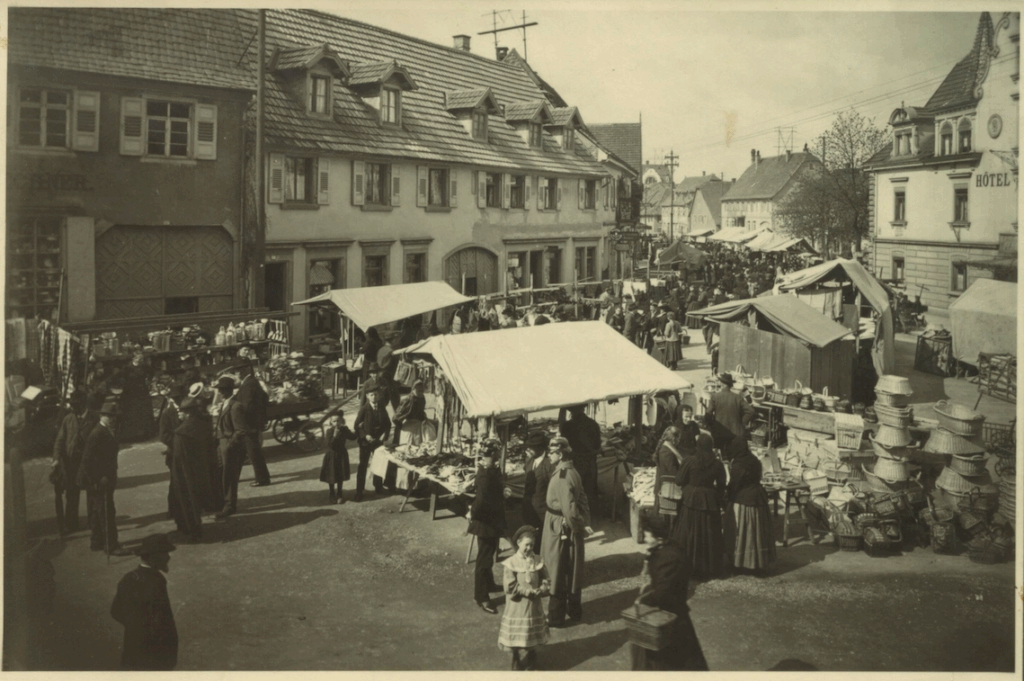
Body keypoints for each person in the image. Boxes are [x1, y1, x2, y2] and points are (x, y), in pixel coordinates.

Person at [630, 510, 709, 671]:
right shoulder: (667, 548)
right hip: (669, 615)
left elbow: (663, 595)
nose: (645, 539)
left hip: (668, 620)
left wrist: (645, 600)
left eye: (647, 535)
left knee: (668, 663)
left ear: (658, 537)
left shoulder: (669, 559)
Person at [540, 437, 592, 628]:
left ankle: (556, 617)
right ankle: (574, 609)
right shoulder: (573, 472)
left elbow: (569, 509)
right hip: (568, 524)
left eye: (551, 452)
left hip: (558, 525)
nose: (549, 455)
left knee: (557, 569)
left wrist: (577, 525)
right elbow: (583, 498)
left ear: (560, 454)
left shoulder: (562, 476)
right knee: (572, 568)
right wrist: (585, 521)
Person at [110, 533, 178, 670]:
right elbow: (162, 622)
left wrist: (134, 626)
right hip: (155, 655)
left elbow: (115, 611)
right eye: (165, 553)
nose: (169, 557)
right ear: (155, 557)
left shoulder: (128, 578)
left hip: (132, 649)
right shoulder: (156, 581)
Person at [78, 402, 130, 556]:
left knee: (96, 511)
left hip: (101, 478)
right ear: (101, 416)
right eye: (109, 416)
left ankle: (97, 542)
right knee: (107, 512)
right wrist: (99, 478)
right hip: (99, 480)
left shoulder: (106, 430)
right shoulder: (98, 433)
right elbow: (87, 460)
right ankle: (111, 546)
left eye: (114, 416)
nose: (112, 419)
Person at [672, 433, 726, 579]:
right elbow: (722, 485)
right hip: (709, 500)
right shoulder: (717, 463)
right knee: (709, 533)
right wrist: (717, 498)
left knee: (689, 533)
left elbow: (678, 481)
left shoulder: (690, 461)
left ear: (698, 446)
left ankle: (687, 566)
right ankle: (708, 567)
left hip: (691, 499)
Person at [498, 525, 551, 671]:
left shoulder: (538, 560)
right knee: (518, 632)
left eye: (532, 545)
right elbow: (509, 586)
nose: (529, 548)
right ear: (519, 543)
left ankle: (532, 653)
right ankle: (516, 657)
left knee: (531, 629)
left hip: (533, 605)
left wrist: (542, 588)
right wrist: (525, 591)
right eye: (526, 544)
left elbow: (546, 579)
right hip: (518, 605)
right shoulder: (511, 563)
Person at [169, 391, 217, 542]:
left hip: (186, 473)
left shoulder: (181, 433)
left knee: (186, 500)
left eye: (181, 412)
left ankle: (192, 530)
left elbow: (179, 459)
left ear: (188, 414)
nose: (179, 415)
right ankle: (195, 526)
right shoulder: (204, 426)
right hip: (202, 470)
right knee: (199, 499)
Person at [725, 439, 776, 573]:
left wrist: (728, 495)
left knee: (744, 532)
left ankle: (743, 562)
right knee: (757, 532)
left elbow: (735, 484)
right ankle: (758, 561)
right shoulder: (754, 460)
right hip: (758, 497)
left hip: (744, 499)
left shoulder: (738, 464)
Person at [468, 439, 506, 614]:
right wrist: (472, 513)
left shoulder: (491, 469)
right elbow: (480, 501)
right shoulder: (484, 474)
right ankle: (481, 597)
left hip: (492, 520)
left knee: (488, 554)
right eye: (496, 453)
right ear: (492, 454)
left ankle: (489, 584)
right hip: (486, 523)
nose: (498, 455)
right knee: (483, 559)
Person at [50, 391, 88, 536]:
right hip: (71, 463)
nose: (73, 409)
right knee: (72, 493)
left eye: (76, 406)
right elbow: (59, 441)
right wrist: (56, 459)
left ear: (84, 405)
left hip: (87, 462)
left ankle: (94, 522)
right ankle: (72, 524)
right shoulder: (68, 419)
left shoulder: (93, 418)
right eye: (72, 405)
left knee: (92, 493)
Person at [558, 404, 601, 518]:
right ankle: (592, 518)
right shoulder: (593, 424)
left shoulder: (567, 426)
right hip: (590, 462)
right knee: (590, 490)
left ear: (571, 411)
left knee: (574, 492)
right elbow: (598, 446)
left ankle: (576, 518)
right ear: (583, 409)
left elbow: (563, 446)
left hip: (575, 463)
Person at [234, 360, 271, 487]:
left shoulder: (248, 384)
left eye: (238, 370)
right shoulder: (251, 382)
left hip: (249, 424)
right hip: (252, 424)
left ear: (245, 370)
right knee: (249, 452)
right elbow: (265, 398)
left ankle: (262, 479)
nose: (237, 373)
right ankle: (262, 478)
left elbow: (247, 406)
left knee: (253, 453)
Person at [352, 384, 391, 501]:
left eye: (376, 395)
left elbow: (388, 424)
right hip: (365, 442)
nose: (374, 397)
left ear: (379, 396)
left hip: (377, 441)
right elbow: (356, 426)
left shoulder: (382, 407)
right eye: (371, 395)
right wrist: (365, 435)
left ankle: (378, 487)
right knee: (363, 466)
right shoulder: (364, 409)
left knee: (379, 463)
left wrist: (385, 435)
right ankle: (359, 491)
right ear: (368, 397)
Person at [214, 377, 245, 520]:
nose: (219, 392)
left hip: (228, 446)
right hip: (221, 443)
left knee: (230, 476)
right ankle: (224, 502)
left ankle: (229, 506)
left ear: (227, 390)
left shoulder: (235, 405)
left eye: (221, 390)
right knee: (222, 474)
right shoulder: (226, 402)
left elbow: (240, 431)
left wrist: (229, 445)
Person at [114, 350, 156, 443]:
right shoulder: (128, 368)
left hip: (142, 392)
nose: (141, 361)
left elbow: (152, 371)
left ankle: (145, 434)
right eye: (139, 359)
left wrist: (148, 380)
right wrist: (123, 384)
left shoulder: (144, 367)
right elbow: (118, 376)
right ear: (134, 359)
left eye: (142, 359)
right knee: (131, 413)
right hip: (130, 393)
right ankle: (131, 436)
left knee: (143, 413)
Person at [706, 373, 755, 453]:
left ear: (722, 384)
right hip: (735, 434)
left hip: (719, 433)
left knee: (721, 456)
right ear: (730, 385)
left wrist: (712, 426)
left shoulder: (715, 397)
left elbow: (707, 416)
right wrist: (742, 422)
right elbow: (751, 411)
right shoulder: (737, 397)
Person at [159, 384, 186, 519]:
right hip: (175, 453)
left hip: (188, 453)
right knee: (175, 483)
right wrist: (177, 444)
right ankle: (173, 510)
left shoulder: (188, 409)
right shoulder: (167, 413)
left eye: (180, 397)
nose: (178, 400)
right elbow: (164, 435)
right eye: (176, 398)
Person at [519, 430, 550, 540]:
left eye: (531, 447)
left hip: (542, 511)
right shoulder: (529, 461)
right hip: (528, 508)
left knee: (541, 541)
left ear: (540, 448)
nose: (528, 449)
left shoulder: (548, 464)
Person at [320, 414, 356, 504]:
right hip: (332, 455)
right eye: (334, 421)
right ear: (331, 422)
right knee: (332, 474)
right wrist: (335, 435)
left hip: (341, 455)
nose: (336, 423)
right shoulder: (329, 431)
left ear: (342, 421)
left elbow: (352, 437)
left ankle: (339, 493)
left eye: (338, 421)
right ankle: (332, 493)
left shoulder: (344, 429)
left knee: (340, 474)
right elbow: (330, 444)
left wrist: (358, 429)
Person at [653, 426, 684, 527]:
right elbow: (673, 472)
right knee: (667, 519)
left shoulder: (667, 447)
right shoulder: (667, 452)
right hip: (667, 488)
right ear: (674, 439)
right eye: (679, 438)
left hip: (665, 486)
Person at [391, 380, 427, 445]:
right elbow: (395, 418)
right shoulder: (408, 400)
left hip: (417, 428)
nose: (421, 393)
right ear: (413, 389)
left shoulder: (421, 398)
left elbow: (420, 411)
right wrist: (402, 426)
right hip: (407, 428)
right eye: (419, 391)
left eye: (422, 391)